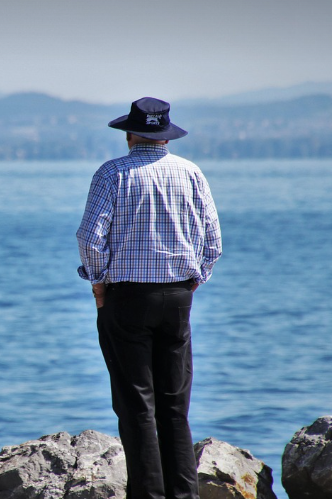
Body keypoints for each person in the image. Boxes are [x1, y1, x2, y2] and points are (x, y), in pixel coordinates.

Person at [76, 97, 222, 499]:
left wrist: (98, 283)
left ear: (131, 133)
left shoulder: (111, 173)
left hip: (125, 300)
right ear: (165, 135)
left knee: (137, 408)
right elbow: (214, 242)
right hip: (178, 299)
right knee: (175, 409)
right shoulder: (191, 172)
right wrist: (194, 281)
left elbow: (89, 239)